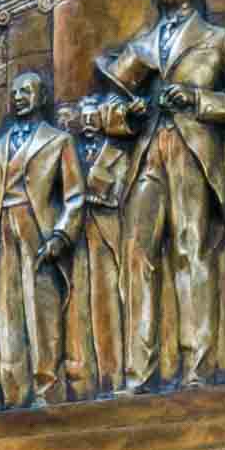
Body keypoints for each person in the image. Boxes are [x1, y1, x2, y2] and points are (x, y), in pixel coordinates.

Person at [95, 0, 225, 390]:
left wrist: (196, 100)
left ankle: (197, 368)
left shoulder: (220, 40)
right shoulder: (142, 44)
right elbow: (108, 105)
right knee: (136, 256)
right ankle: (137, 373)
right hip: (147, 153)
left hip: (191, 152)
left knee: (190, 251)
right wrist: (128, 112)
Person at [0, 70, 84, 408]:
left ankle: (46, 392)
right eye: (15, 92)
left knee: (43, 312)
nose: (18, 97)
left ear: (42, 97)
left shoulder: (58, 141)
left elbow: (75, 195)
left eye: (26, 91)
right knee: (7, 313)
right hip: (4, 228)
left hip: (39, 232)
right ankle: (14, 395)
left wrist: (61, 236)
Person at [64, 94, 129, 399]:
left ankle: (112, 377)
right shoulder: (69, 154)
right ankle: (80, 382)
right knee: (77, 307)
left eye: (94, 117)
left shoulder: (118, 153)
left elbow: (125, 193)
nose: (89, 123)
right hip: (77, 238)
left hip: (106, 236)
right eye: (84, 118)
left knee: (106, 306)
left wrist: (100, 197)